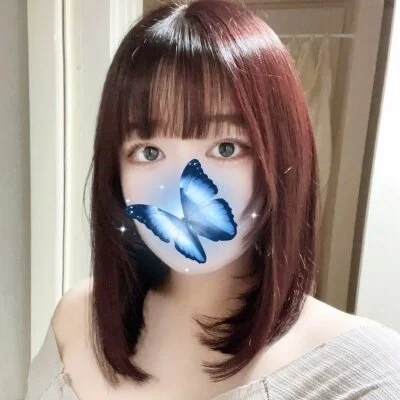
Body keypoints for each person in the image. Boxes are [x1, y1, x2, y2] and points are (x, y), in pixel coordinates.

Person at [24, 0, 400, 399]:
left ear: (281, 160)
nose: (175, 188)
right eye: (148, 152)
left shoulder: (365, 375)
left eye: (225, 148)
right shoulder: (76, 318)